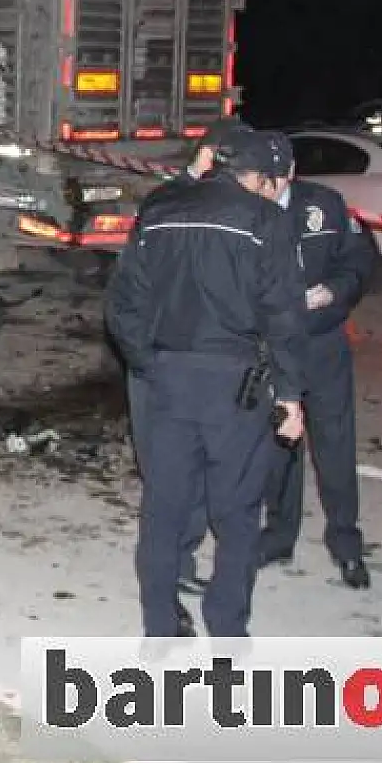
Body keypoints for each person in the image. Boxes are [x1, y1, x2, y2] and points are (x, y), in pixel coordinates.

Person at [106, 130, 309, 638]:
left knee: (163, 508)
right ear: (260, 179)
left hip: (168, 381)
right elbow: (284, 317)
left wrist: (149, 364)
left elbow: (122, 305)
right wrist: (289, 396)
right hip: (235, 387)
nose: (279, 192)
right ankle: (227, 631)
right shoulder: (266, 221)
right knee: (237, 514)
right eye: (277, 182)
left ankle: (159, 626)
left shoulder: (159, 209)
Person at [122, 116, 245, 616]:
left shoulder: (230, 208)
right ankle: (165, 582)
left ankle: (181, 563)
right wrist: (144, 358)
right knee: (166, 476)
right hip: (159, 360)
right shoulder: (166, 205)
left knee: (191, 470)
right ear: (212, 158)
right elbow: (128, 297)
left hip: (189, 360)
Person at [260, 173, 379, 588]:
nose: (263, 189)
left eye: (269, 181)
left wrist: (332, 290)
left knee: (335, 444)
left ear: (287, 173)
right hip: (271, 344)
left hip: (322, 342)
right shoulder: (246, 206)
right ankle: (278, 536)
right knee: (279, 443)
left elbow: (361, 259)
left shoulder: (325, 205)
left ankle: (346, 544)